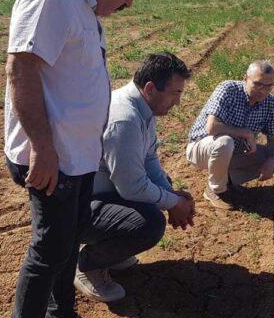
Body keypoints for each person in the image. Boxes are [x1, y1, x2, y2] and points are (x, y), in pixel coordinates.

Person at [3, 0, 157, 317]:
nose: (129, 4)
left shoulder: (83, 6)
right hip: (54, 155)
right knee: (49, 250)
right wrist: (42, 148)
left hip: (78, 154)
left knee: (67, 243)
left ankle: (62, 312)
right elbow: (21, 69)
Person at [74, 52, 195, 302]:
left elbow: (149, 159)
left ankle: (112, 253)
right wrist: (173, 203)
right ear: (150, 88)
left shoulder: (143, 108)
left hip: (104, 193)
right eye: (175, 93)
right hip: (78, 208)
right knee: (149, 223)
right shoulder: (125, 118)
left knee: (164, 189)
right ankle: (87, 265)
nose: (178, 102)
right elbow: (131, 187)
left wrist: (171, 196)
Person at [186, 61, 274, 209]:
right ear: (245, 78)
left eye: (268, 86)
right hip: (201, 148)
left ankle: (227, 180)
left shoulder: (269, 103)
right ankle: (215, 190)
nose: (263, 91)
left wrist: (271, 160)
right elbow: (212, 127)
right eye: (258, 84)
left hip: (233, 153)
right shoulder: (228, 89)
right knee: (225, 142)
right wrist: (246, 133)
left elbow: (273, 139)